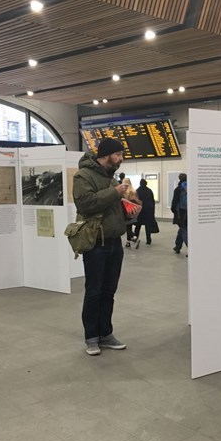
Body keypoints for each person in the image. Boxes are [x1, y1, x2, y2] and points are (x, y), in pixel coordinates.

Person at [73, 138, 138, 356]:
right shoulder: (83, 176)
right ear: (106, 155)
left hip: (114, 243)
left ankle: (106, 334)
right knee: (94, 291)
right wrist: (115, 192)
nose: (120, 159)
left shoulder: (110, 179)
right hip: (96, 244)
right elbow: (86, 204)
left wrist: (128, 210)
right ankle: (91, 337)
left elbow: (111, 206)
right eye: (118, 155)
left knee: (109, 291)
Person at [134, 178, 156, 245]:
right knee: (148, 226)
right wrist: (153, 211)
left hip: (140, 211)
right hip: (148, 210)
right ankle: (148, 240)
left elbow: (135, 201)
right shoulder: (149, 191)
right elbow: (152, 201)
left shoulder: (137, 191)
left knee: (138, 226)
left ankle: (135, 238)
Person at [171, 173, 188, 254]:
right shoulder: (190, 188)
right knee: (182, 229)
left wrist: (174, 211)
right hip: (188, 213)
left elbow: (174, 203)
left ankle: (191, 249)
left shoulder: (178, 189)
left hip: (180, 213)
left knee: (183, 230)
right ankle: (177, 247)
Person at [122, 177, 141, 248]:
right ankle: (128, 242)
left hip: (126, 211)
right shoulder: (134, 191)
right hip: (133, 211)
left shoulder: (125, 191)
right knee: (129, 226)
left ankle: (134, 237)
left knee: (127, 227)